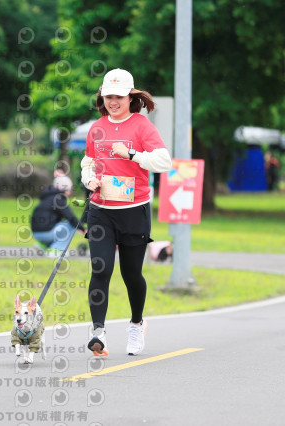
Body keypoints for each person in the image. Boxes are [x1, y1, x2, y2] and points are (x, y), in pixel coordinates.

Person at [81, 68, 172, 356]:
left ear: (130, 97)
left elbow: (164, 161)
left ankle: (136, 324)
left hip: (134, 210)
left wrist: (132, 154)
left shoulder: (142, 126)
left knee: (131, 274)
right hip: (101, 210)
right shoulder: (97, 128)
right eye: (108, 96)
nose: (113, 102)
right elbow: (87, 162)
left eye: (119, 97)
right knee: (100, 268)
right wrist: (89, 179)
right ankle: (98, 332)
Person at [31, 175, 86, 257]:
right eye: (69, 189)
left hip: (36, 233)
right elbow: (71, 218)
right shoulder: (59, 200)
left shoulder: (47, 197)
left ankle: (43, 245)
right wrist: (83, 229)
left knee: (61, 225)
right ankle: (56, 249)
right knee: (71, 225)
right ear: (65, 189)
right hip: (46, 233)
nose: (70, 192)